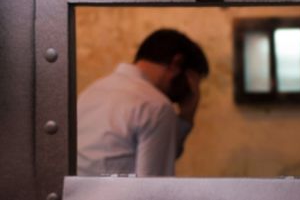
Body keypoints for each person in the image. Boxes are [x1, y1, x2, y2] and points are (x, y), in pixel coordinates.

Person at [77, 29, 209, 176]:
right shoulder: (156, 106)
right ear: (176, 63)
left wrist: (185, 117)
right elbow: (153, 187)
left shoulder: (90, 92)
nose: (192, 91)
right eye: (193, 81)